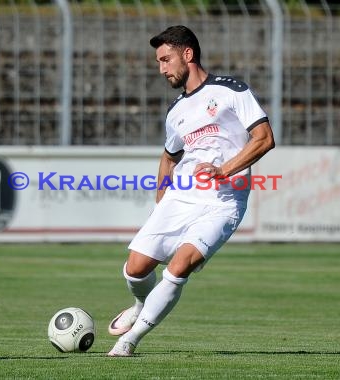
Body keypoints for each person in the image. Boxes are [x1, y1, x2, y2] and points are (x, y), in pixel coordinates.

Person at [107, 25, 275, 357]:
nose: (162, 69)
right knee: (135, 268)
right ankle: (141, 304)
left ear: (188, 54)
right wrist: (161, 201)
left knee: (179, 265)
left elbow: (265, 138)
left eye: (165, 60)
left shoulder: (231, 91)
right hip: (181, 197)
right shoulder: (176, 112)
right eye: (158, 62)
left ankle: (129, 341)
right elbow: (169, 158)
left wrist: (224, 170)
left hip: (224, 201)